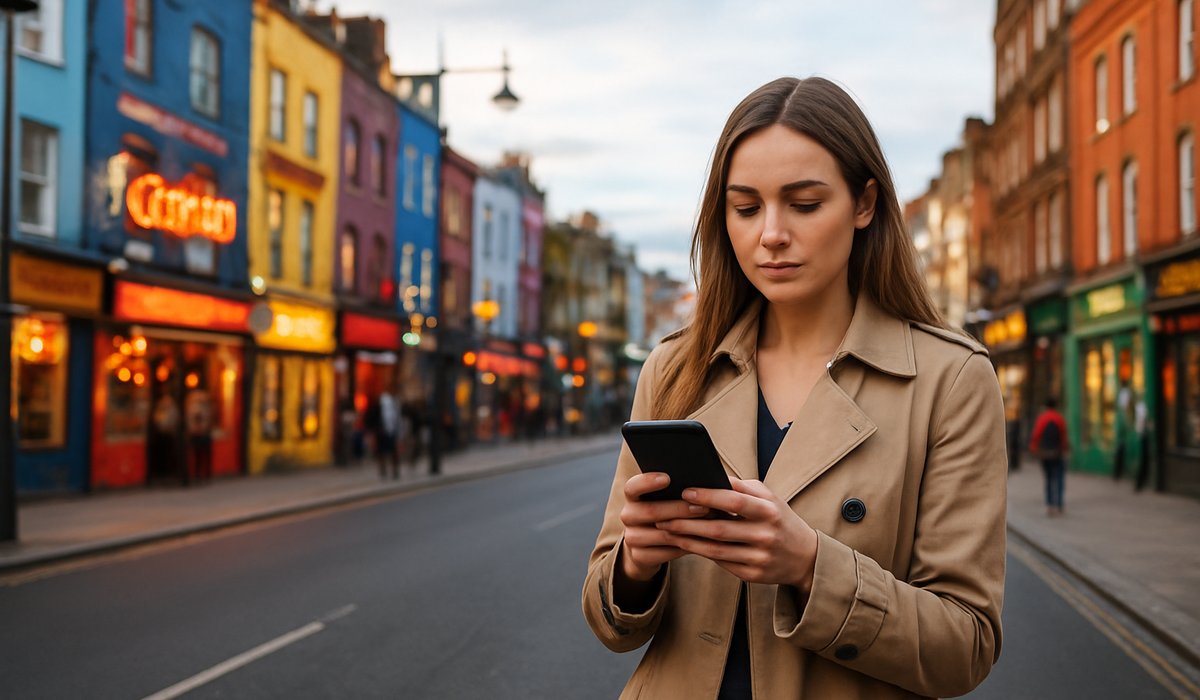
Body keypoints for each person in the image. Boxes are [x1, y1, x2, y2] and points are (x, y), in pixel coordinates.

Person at [582, 77, 1007, 699]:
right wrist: (636, 565)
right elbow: (607, 621)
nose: (770, 234)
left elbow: (964, 648)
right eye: (746, 208)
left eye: (804, 204)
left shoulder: (951, 379)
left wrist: (811, 566)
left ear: (864, 204)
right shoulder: (675, 368)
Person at [1030, 397, 1068, 516]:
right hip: (1057, 454)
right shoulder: (1059, 418)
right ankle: (1059, 504)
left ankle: (1049, 505)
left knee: (1048, 479)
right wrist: (1064, 449)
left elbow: (1036, 435)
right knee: (1059, 479)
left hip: (1045, 454)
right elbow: (1063, 436)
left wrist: (1034, 449)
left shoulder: (1042, 418)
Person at [377, 390, 401, 479]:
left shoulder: (395, 404)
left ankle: (394, 471)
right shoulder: (381, 406)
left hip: (392, 431)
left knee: (393, 452)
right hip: (384, 432)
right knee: (383, 452)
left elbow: (397, 419)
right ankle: (384, 470)